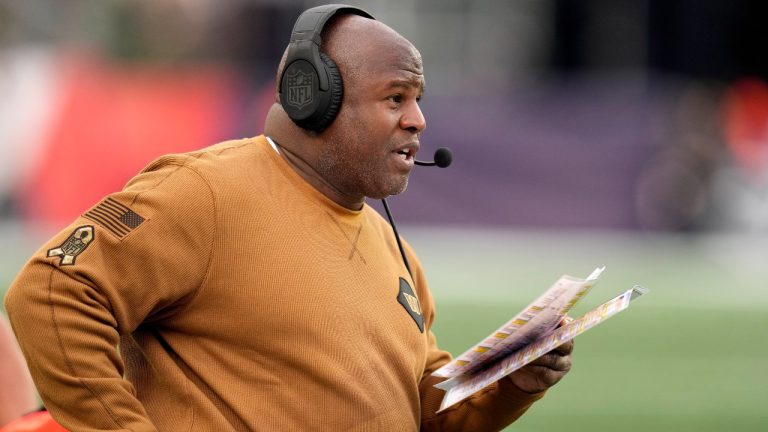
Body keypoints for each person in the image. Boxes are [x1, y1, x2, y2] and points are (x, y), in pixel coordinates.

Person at [4, 5, 573, 431]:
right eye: (395, 98)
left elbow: (423, 409)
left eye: (418, 99)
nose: (418, 120)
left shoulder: (391, 247)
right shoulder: (206, 191)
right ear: (314, 99)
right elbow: (52, 293)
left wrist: (510, 383)